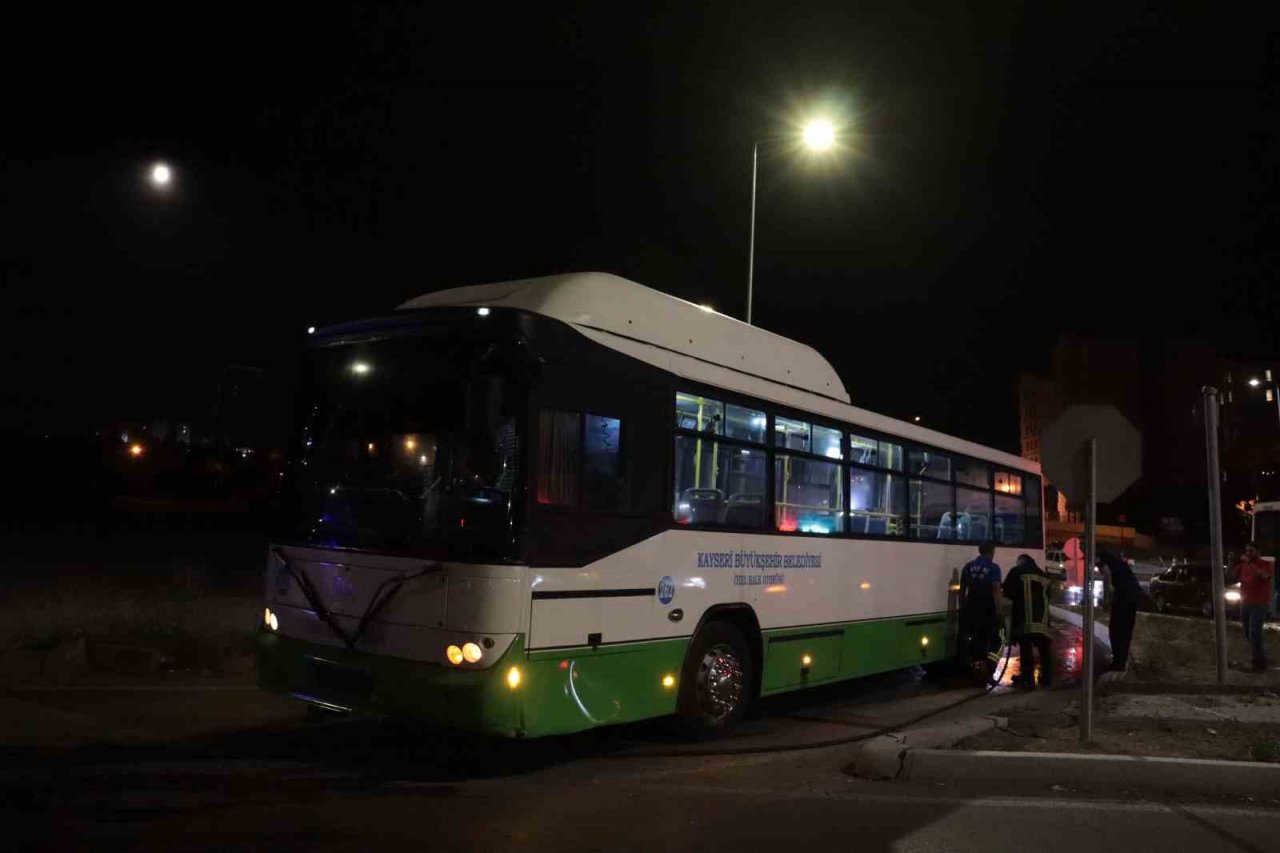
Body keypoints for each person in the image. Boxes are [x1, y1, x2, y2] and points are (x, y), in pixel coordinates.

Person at [1002, 554, 1053, 688]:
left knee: (1026, 648)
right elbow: (1049, 596)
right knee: (1044, 648)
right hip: (1043, 619)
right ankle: (1046, 677)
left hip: (1026, 617)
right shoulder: (1044, 575)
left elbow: (1006, 590)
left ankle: (1027, 678)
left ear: (1021, 562)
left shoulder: (1016, 571)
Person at [958, 542, 1003, 675]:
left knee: (974, 639)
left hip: (970, 606)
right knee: (993, 639)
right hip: (987, 607)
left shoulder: (968, 566)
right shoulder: (994, 568)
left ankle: (975, 668)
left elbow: (962, 590)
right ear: (991, 552)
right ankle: (985, 670)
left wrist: (962, 608)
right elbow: (996, 591)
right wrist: (999, 611)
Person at [1097, 548, 1141, 671]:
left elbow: (1107, 576)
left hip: (1125, 597)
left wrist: (1106, 601)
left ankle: (1118, 662)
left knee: (1116, 630)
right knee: (1125, 630)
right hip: (1132, 596)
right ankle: (1121, 661)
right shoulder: (1116, 561)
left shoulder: (1104, 560)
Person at [1235, 543, 1274, 672]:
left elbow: (1264, 576)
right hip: (1246, 603)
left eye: (1251, 551)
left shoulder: (1264, 564)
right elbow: (1230, 575)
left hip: (1259, 604)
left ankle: (1259, 662)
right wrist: (1230, 562)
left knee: (1255, 633)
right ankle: (1260, 655)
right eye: (1247, 551)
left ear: (1258, 552)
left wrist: (1250, 564)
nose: (1248, 553)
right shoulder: (1244, 565)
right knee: (1247, 633)